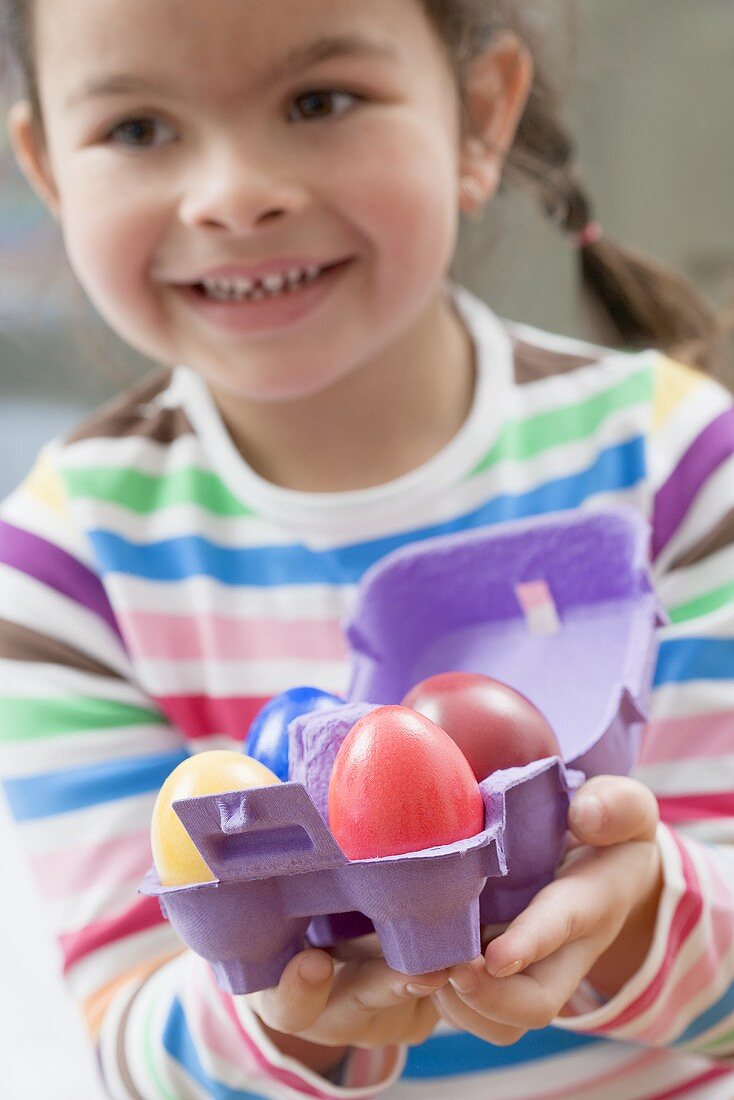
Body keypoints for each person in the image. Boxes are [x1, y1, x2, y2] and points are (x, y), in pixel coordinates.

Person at [1, 0, 733, 1096]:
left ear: (479, 120)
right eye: (140, 129)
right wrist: (282, 1018)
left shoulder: (672, 464)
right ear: (50, 168)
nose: (234, 194)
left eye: (319, 100)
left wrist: (637, 923)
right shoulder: (65, 565)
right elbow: (131, 1045)